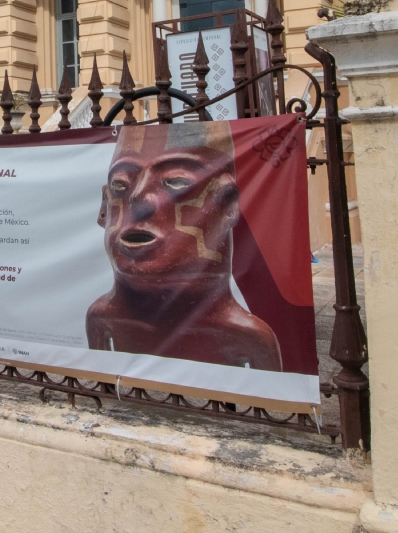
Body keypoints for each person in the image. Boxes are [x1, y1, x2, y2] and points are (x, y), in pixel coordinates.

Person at [85, 122, 281, 370]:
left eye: (176, 181)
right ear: (105, 207)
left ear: (228, 204)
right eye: (120, 184)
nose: (139, 196)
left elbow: (267, 400)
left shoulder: (248, 336)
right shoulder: (103, 317)